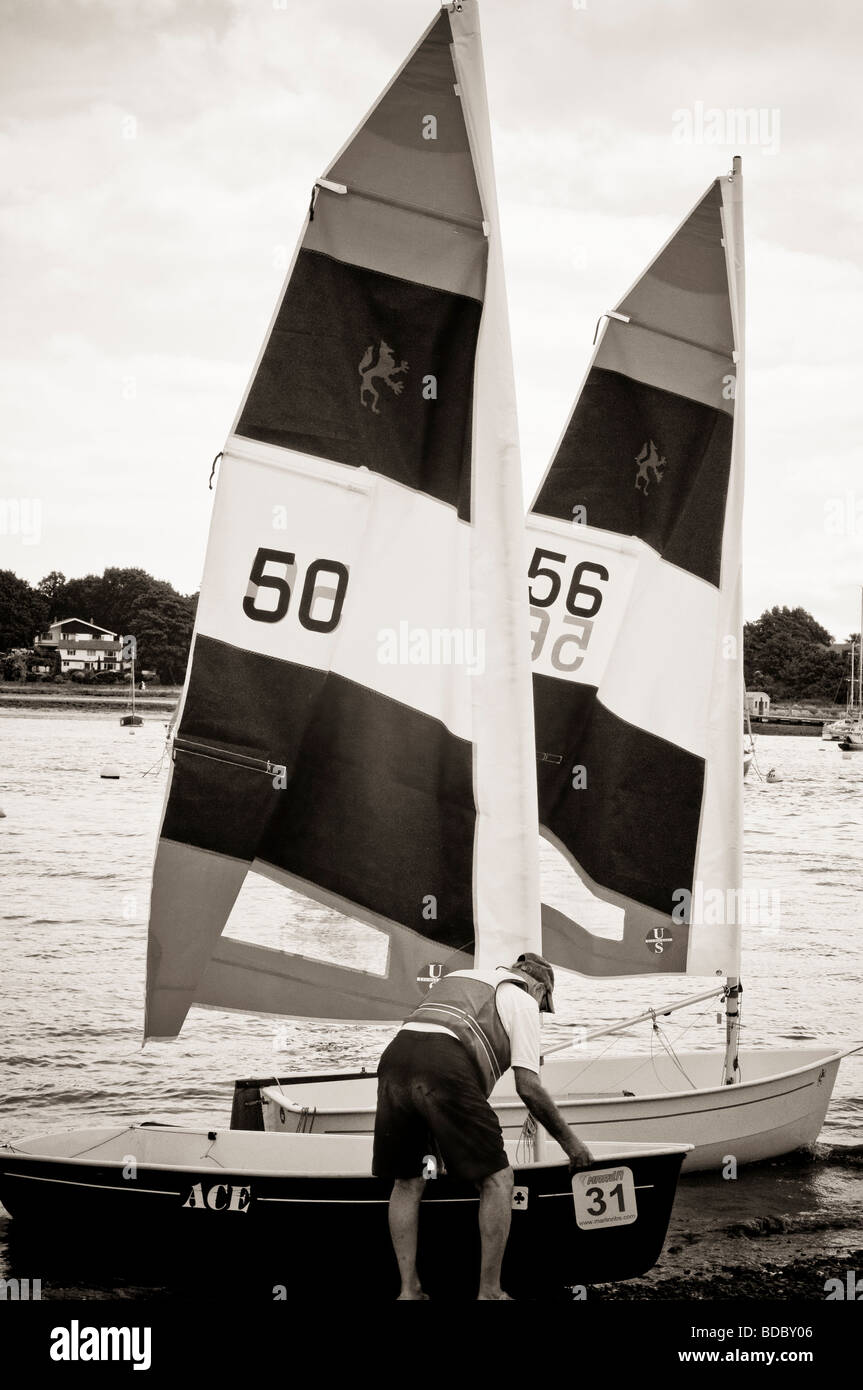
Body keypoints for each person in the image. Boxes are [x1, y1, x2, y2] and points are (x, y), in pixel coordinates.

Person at [372, 952, 593, 1300]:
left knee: (408, 1180)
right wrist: (572, 1145)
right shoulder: (522, 999)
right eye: (544, 1005)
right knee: (498, 1178)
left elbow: (428, 1042)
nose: (541, 1013)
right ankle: (490, 1292)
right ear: (538, 988)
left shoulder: (463, 977)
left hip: (395, 1057)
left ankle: (408, 1291)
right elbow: (528, 1087)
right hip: (445, 1064)